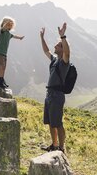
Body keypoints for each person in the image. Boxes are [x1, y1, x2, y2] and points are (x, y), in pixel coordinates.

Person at [40, 22, 70, 153]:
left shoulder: (64, 62)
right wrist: (42, 38)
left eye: (57, 46)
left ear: (62, 49)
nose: (54, 46)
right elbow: (46, 51)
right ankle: (54, 145)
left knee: (58, 123)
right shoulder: (54, 60)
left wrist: (63, 37)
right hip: (49, 94)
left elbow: (68, 53)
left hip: (57, 95)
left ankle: (62, 148)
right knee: (51, 123)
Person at [0, 16, 24, 88]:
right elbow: (3, 28)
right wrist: (6, 23)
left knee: (4, 68)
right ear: (4, 24)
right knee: (2, 66)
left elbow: (14, 36)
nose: (9, 26)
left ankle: (1, 80)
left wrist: (20, 38)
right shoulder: (2, 31)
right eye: (8, 25)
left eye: (11, 25)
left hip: (4, 53)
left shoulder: (8, 34)